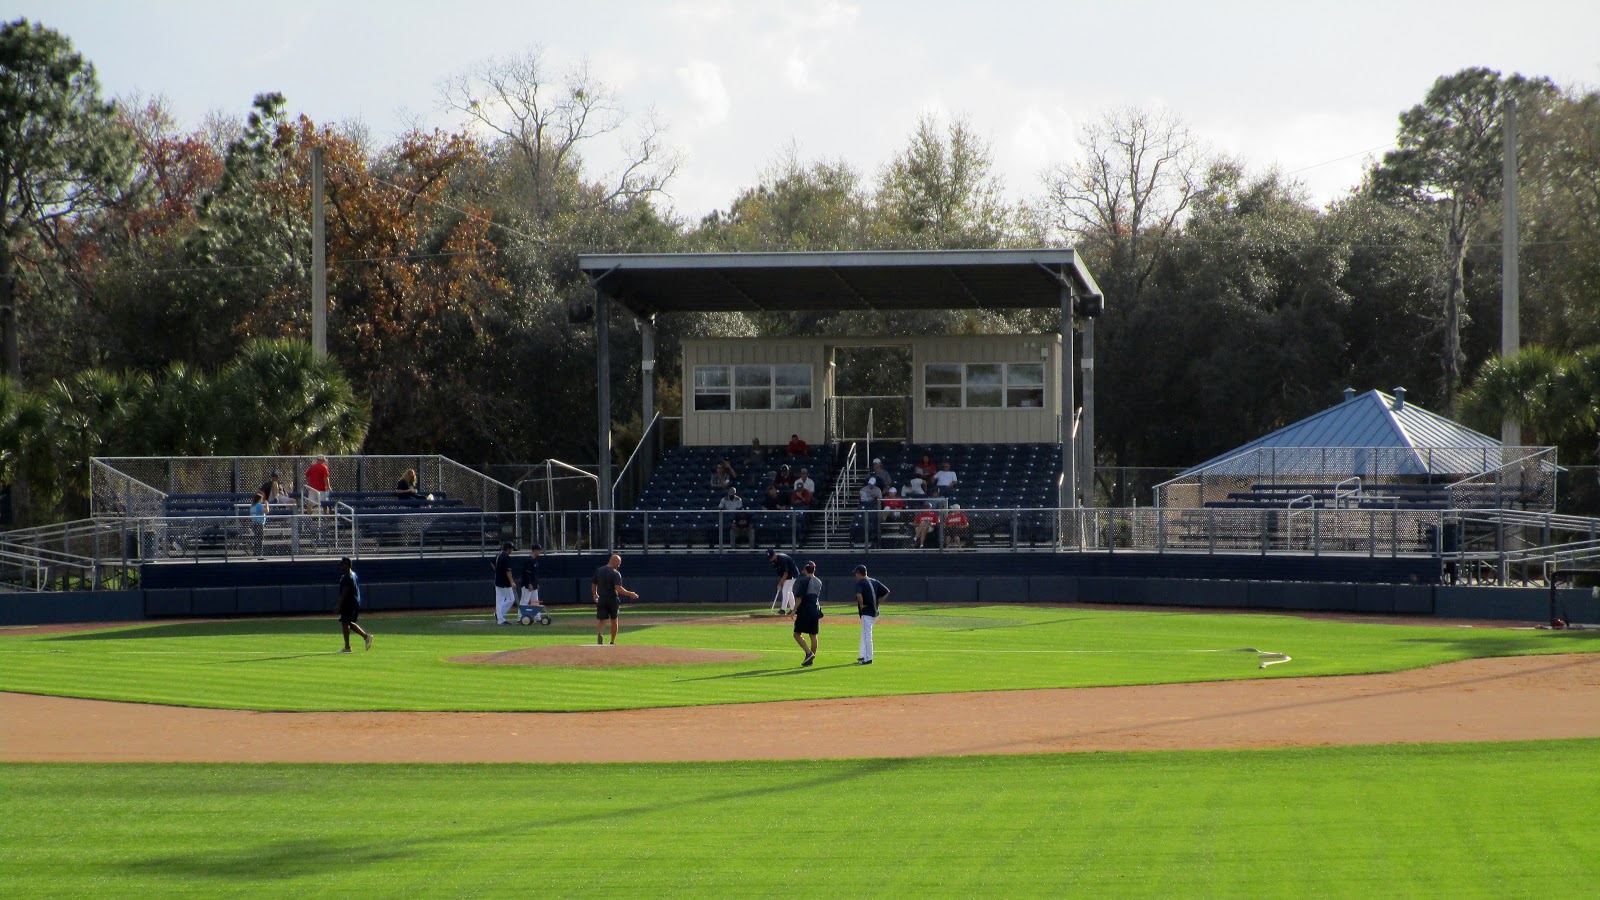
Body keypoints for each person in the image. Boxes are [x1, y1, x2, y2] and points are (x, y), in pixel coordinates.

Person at [591, 553, 638, 645]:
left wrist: (595, 594)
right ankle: (612, 641)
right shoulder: (615, 573)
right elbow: (618, 588)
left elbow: (593, 584)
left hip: (601, 599)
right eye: (619, 563)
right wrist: (630, 594)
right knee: (614, 620)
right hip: (612, 599)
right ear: (614, 561)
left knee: (602, 620)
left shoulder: (599, 570)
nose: (619, 565)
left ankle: (600, 633)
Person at [853, 564, 889, 665]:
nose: (855, 575)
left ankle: (868, 658)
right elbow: (887, 592)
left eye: (856, 573)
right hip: (875, 611)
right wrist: (878, 602)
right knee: (864, 634)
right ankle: (862, 655)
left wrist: (861, 605)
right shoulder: (874, 581)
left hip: (867, 612)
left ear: (859, 573)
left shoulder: (860, 582)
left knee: (867, 635)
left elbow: (859, 595)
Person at [791, 561, 824, 666]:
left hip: (805, 610)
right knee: (813, 635)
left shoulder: (804, 581)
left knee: (797, 634)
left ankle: (809, 653)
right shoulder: (819, 581)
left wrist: (794, 610)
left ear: (806, 569)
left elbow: (799, 598)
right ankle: (810, 659)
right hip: (815, 609)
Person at [337, 556, 372, 652]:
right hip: (354, 601)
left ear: (347, 565)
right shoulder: (353, 574)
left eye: (342, 565)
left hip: (349, 602)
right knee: (347, 622)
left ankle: (348, 647)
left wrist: (339, 604)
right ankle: (365, 637)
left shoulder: (347, 576)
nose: (341, 567)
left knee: (345, 622)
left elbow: (345, 591)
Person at [491, 541, 520, 624]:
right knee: (511, 599)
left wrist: (498, 571)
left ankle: (500, 619)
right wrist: (512, 582)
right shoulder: (506, 557)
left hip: (497, 581)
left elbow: (492, 563)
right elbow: (508, 571)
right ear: (507, 549)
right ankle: (499, 615)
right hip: (504, 582)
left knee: (499, 601)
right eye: (511, 549)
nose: (512, 550)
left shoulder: (498, 554)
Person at [768, 548, 800, 615]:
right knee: (789, 591)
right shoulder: (774, 562)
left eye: (771, 557)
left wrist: (780, 583)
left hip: (792, 574)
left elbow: (786, 573)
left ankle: (783, 610)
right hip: (787, 575)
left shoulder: (782, 559)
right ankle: (794, 609)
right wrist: (782, 582)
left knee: (785, 590)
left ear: (774, 554)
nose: (770, 559)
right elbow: (781, 573)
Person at [520, 544, 543, 609]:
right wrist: (529, 584)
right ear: (535, 551)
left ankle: (536, 614)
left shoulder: (535, 560)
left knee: (535, 601)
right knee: (524, 601)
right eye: (539, 551)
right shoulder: (529, 560)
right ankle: (521, 615)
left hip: (534, 584)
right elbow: (527, 573)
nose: (539, 552)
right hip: (527, 584)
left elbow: (535, 574)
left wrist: (536, 583)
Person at [249, 491, 268, 556]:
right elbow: (266, 511)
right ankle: (259, 553)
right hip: (259, 523)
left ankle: (255, 552)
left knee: (256, 538)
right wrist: (266, 504)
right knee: (260, 539)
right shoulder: (259, 505)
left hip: (254, 523)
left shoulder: (252, 506)